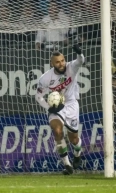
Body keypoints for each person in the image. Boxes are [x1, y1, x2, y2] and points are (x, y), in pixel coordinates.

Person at [35, 44, 84, 175]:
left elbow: (80, 61)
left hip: (71, 105)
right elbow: (38, 97)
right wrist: (49, 108)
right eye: (57, 62)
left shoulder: (71, 67)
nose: (61, 64)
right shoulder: (45, 78)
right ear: (52, 64)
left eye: (62, 60)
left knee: (74, 139)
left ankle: (77, 153)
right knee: (57, 132)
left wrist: (79, 53)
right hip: (56, 108)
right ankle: (67, 165)